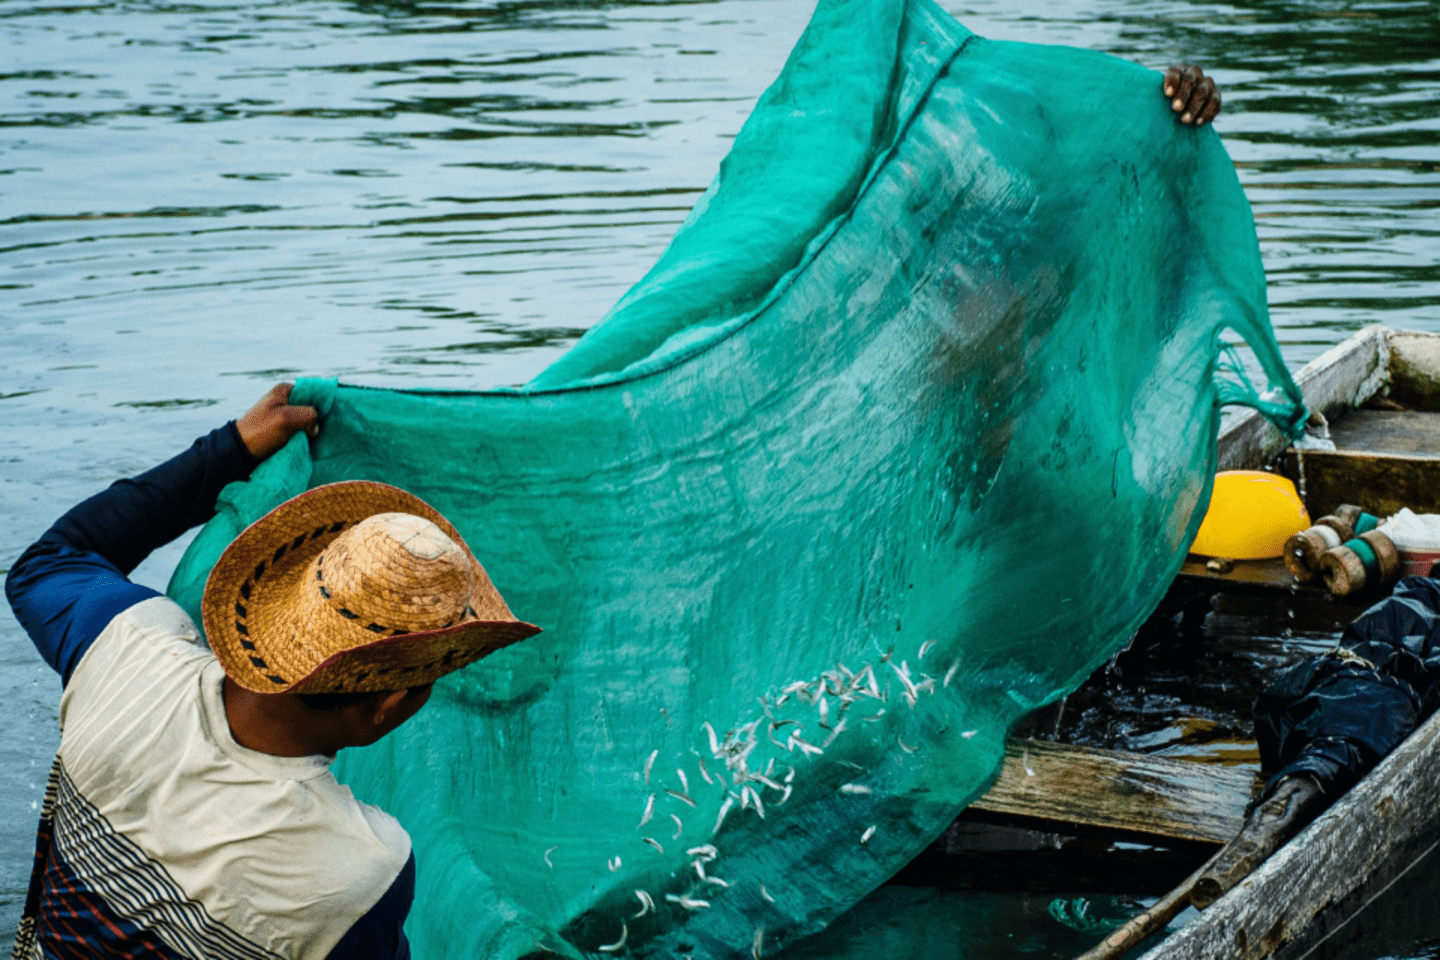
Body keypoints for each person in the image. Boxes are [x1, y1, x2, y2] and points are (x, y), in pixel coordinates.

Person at [5, 383, 540, 959]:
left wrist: (228, 450)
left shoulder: (124, 650)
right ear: (391, 702)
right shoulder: (360, 871)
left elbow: (48, 561)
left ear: (274, 609)